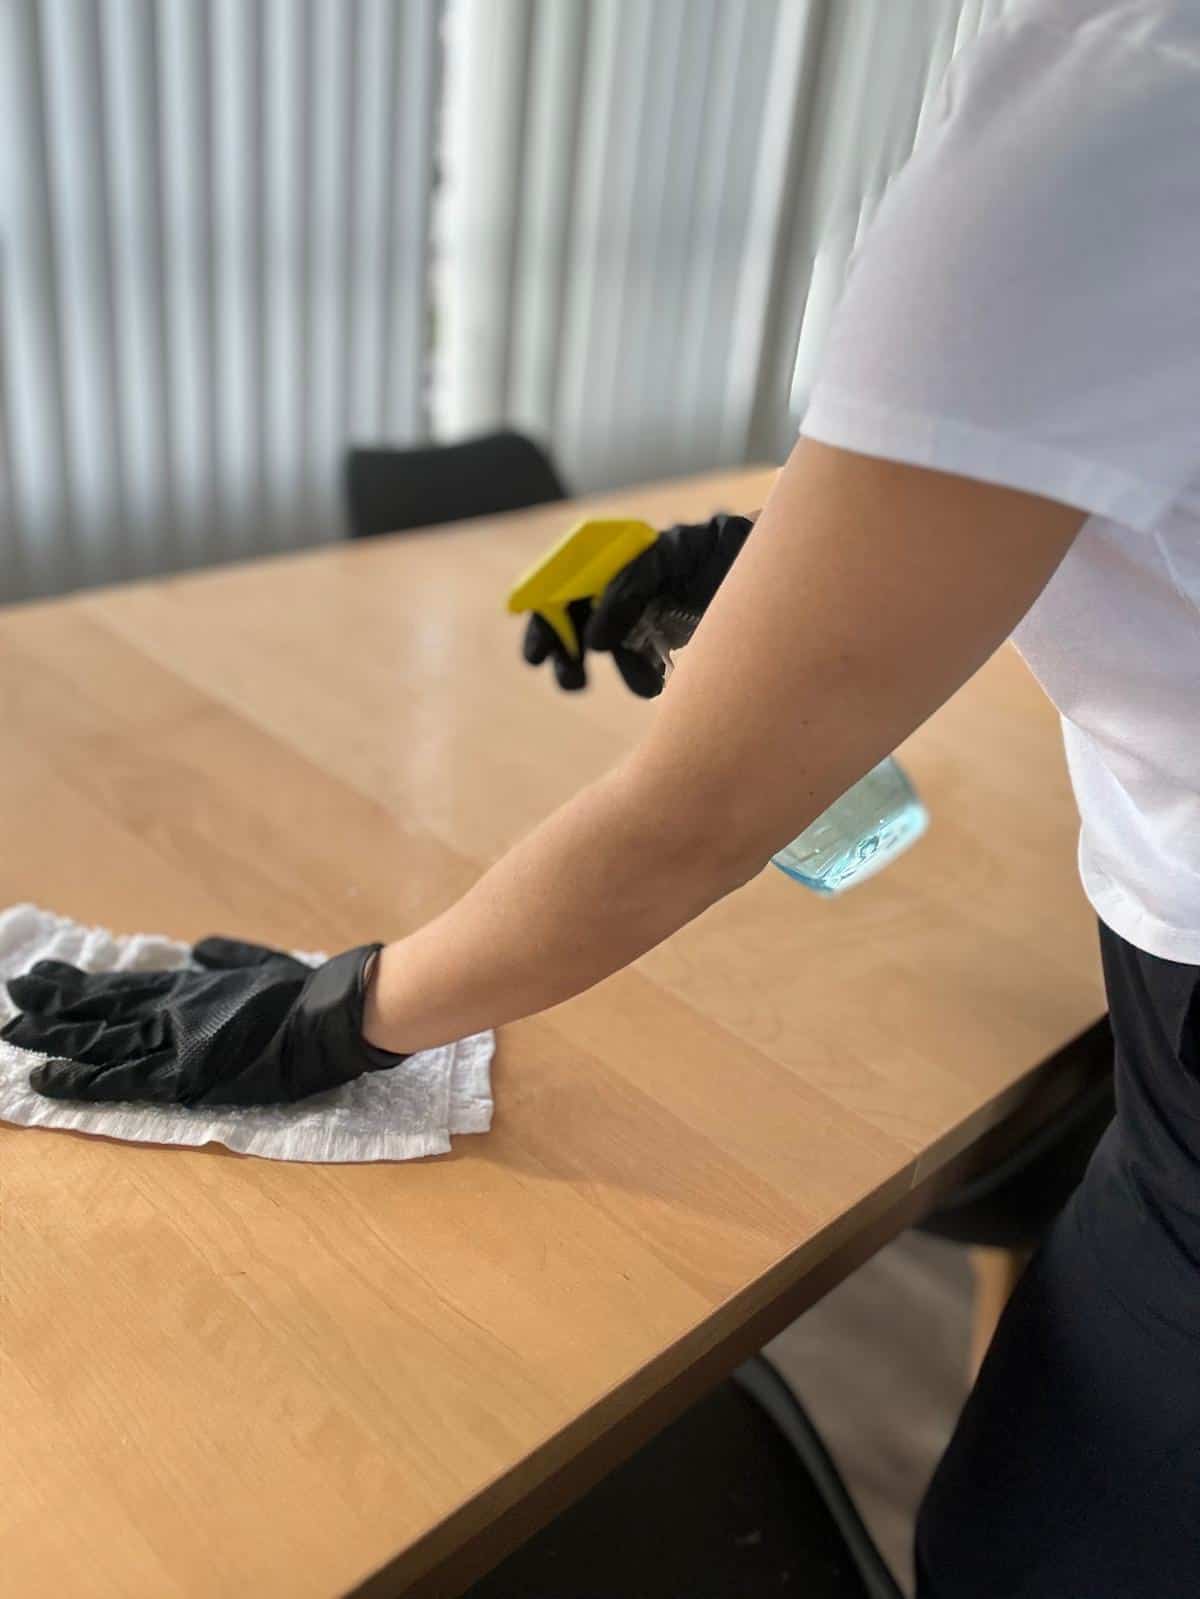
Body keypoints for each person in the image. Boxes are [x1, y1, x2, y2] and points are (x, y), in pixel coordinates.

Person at [4, 0, 1198, 1590]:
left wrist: (344, 1016)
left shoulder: (1109, 106)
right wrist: (794, 570)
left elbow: (689, 819)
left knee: (1025, 1553)